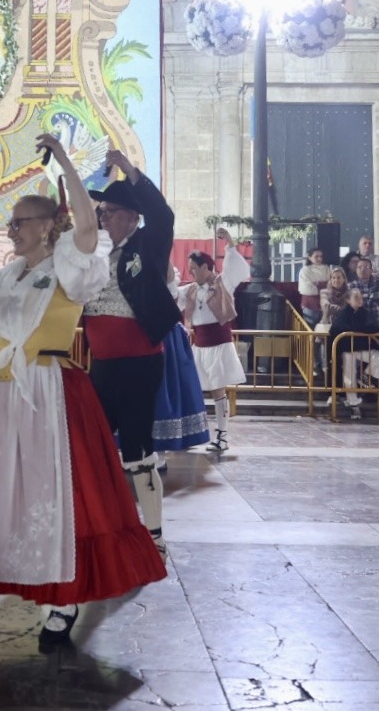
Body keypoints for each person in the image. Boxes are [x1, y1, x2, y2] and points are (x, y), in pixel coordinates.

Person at [0, 133, 167, 651]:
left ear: (48, 227)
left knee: (51, 493)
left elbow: (87, 225)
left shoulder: (72, 268)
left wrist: (65, 162)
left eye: (20, 222)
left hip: (49, 389)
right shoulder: (4, 277)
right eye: (11, 223)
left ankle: (61, 602)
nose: (11, 230)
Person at [84, 149, 180, 552]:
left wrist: (128, 169)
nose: (102, 218)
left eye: (108, 212)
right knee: (95, 448)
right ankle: (102, 526)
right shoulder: (94, 254)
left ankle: (154, 534)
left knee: (139, 449)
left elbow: (164, 215)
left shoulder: (149, 244)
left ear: (131, 216)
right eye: (101, 212)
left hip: (140, 364)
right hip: (101, 366)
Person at [182, 229, 250, 452]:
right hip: (199, 346)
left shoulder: (223, 283)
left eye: (194, 268)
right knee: (192, 389)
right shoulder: (191, 290)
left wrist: (230, 244)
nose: (191, 272)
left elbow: (237, 269)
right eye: (189, 268)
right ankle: (191, 433)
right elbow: (172, 294)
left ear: (205, 267)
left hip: (219, 345)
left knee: (217, 391)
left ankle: (222, 436)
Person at [154, 265, 212, 455]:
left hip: (165, 339)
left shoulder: (166, 272)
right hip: (151, 335)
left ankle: (159, 452)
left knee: (166, 390)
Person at [329, 288, 379, 419]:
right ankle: (353, 405)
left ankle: (366, 377)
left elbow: (374, 327)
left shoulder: (365, 313)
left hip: (362, 348)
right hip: (347, 349)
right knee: (349, 375)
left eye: (360, 297)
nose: (360, 300)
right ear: (348, 300)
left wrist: (356, 331)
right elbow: (337, 328)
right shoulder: (344, 313)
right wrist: (361, 331)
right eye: (356, 297)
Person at [296, 247, 329, 325]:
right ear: (310, 257)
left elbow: (330, 284)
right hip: (310, 304)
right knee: (310, 327)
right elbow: (306, 288)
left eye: (321, 256)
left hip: (325, 303)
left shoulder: (327, 269)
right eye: (316, 256)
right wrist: (323, 284)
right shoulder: (305, 270)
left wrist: (317, 283)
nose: (319, 258)